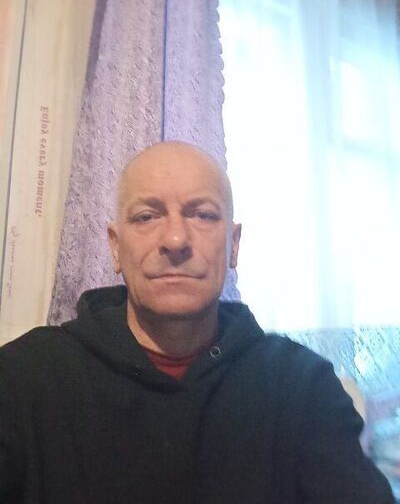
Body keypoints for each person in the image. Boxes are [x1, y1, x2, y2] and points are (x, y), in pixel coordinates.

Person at [0, 141, 394, 504]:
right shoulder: (22, 379)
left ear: (234, 245)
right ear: (116, 247)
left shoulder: (302, 386)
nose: (175, 239)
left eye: (203, 215)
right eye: (146, 216)